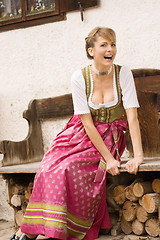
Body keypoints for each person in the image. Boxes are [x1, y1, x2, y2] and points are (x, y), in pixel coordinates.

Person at [10, 27, 143, 240]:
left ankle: (54, 230)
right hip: (79, 134)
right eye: (104, 45)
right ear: (91, 51)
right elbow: (87, 124)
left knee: (68, 169)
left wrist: (137, 156)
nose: (111, 49)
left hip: (109, 137)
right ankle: (32, 229)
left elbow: (133, 117)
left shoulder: (123, 73)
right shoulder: (79, 77)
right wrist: (108, 159)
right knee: (48, 167)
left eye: (113, 44)